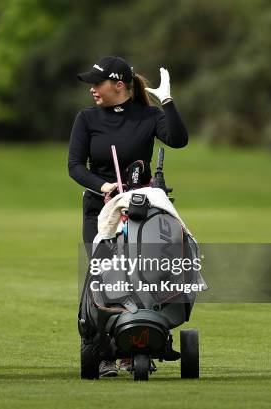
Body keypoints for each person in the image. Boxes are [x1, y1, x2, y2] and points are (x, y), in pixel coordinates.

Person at [68, 56, 188, 377]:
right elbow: (75, 166)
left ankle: (138, 337)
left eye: (98, 83)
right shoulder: (87, 118)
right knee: (104, 273)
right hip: (100, 208)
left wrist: (167, 102)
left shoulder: (149, 116)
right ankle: (102, 349)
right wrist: (102, 184)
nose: (92, 89)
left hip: (141, 207)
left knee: (143, 268)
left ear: (119, 85)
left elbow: (178, 139)